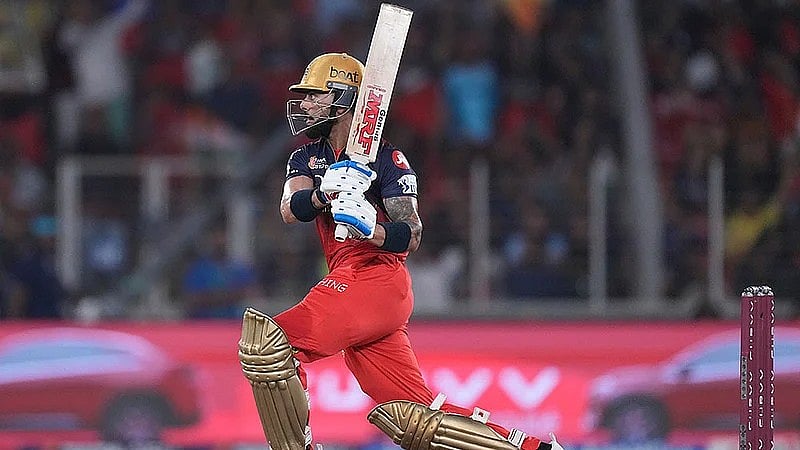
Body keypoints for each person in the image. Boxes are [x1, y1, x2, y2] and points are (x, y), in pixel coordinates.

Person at [237, 53, 563, 450]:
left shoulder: (389, 160)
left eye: (313, 96)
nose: (304, 106)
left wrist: (368, 227)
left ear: (343, 96)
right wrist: (326, 194)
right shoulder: (305, 158)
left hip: (376, 279)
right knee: (417, 420)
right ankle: (533, 448)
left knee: (270, 344)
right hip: (352, 287)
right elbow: (291, 208)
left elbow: (411, 233)